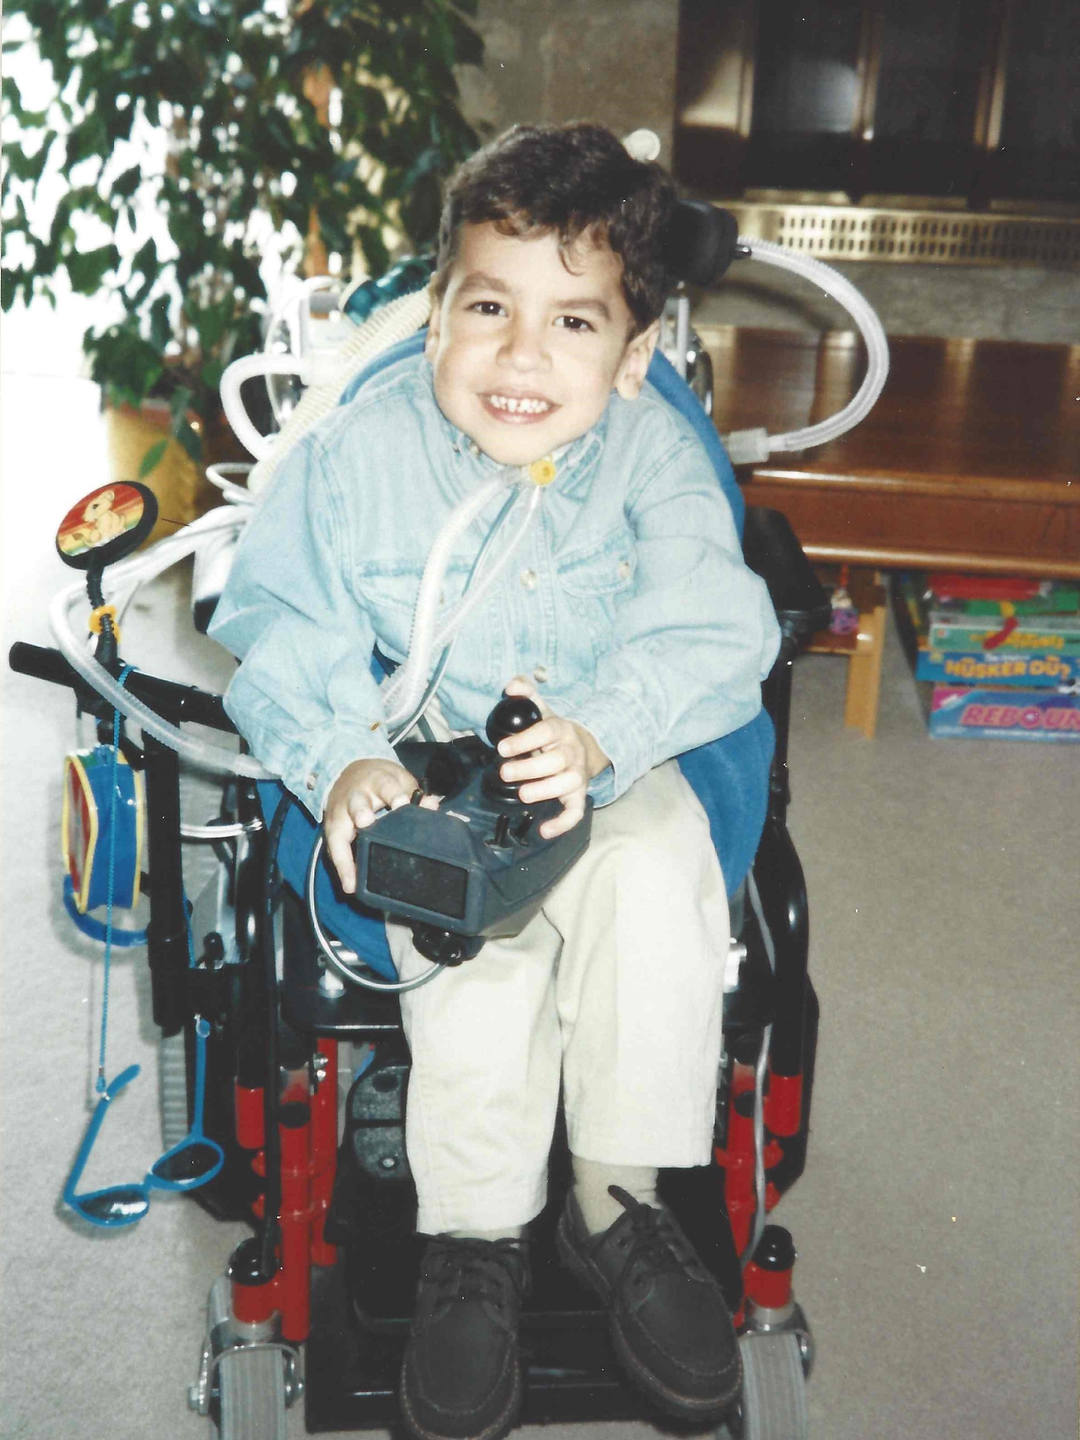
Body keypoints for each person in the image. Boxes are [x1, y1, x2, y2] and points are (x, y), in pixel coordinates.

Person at [210, 121, 780, 1440]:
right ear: (434, 317)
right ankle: (475, 1237)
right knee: (465, 929)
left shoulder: (649, 458)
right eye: (489, 308)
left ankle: (616, 1202)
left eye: (575, 324)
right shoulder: (356, 462)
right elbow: (280, 625)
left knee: (651, 870)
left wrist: (597, 733)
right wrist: (346, 755)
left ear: (634, 355)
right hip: (426, 756)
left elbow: (715, 627)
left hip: (607, 750)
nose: (522, 356)